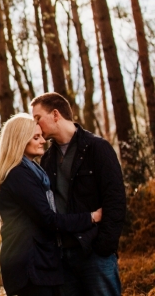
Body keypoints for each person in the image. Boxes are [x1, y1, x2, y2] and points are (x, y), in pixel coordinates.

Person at [0, 113, 101, 296]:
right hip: (30, 266)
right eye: (36, 137)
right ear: (20, 140)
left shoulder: (33, 172)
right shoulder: (18, 175)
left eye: (41, 135)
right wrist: (91, 217)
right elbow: (48, 219)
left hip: (40, 263)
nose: (43, 140)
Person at [32, 92, 126, 296]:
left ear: (55, 114)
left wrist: (104, 247)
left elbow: (115, 199)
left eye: (38, 119)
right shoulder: (47, 159)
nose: (35, 126)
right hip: (63, 259)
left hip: (95, 254)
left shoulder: (97, 148)